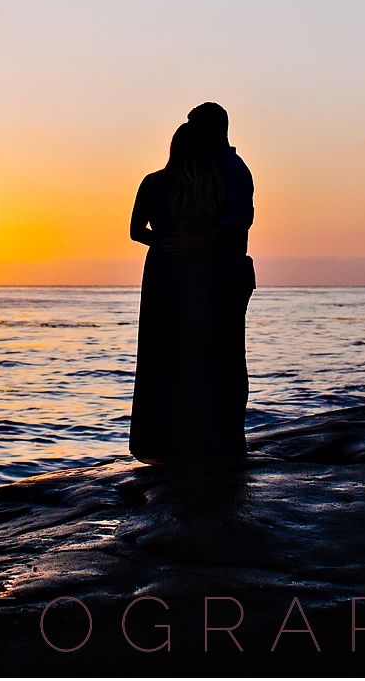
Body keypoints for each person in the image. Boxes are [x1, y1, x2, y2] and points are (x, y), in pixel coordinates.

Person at [127, 104, 256, 463]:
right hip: (200, 274)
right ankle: (202, 440)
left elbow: (240, 219)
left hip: (217, 275)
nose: (189, 129)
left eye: (194, 124)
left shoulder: (228, 170)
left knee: (211, 356)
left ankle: (215, 439)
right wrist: (187, 244)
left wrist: (175, 243)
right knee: (194, 354)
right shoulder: (204, 177)